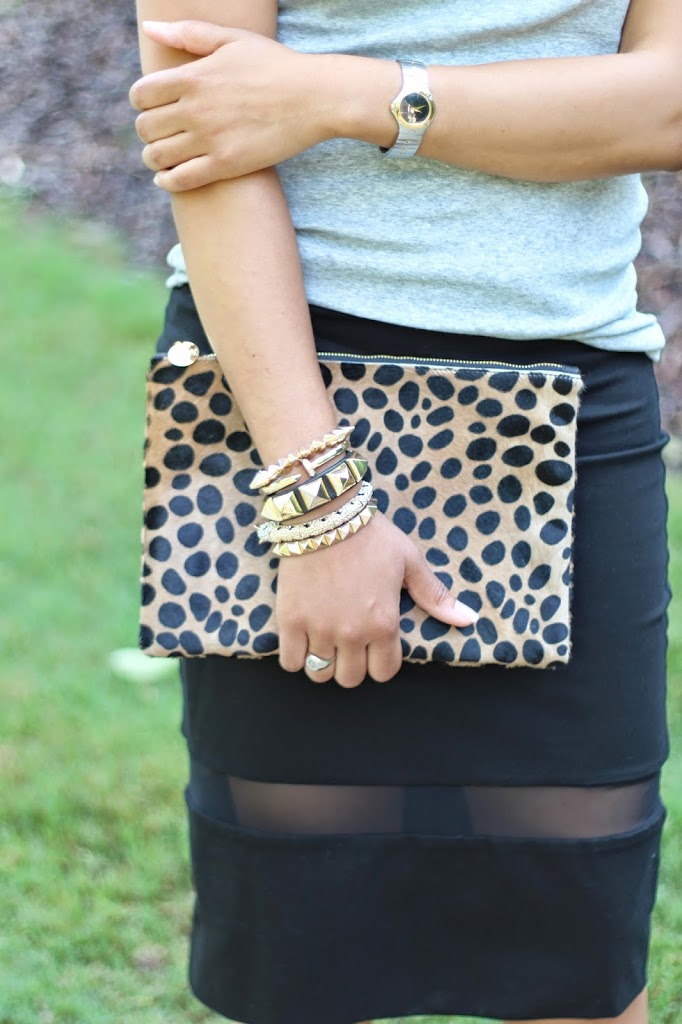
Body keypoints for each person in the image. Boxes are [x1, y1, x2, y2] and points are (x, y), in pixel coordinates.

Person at [130, 2, 679, 1022]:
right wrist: (320, 498)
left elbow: (669, 103)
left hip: (567, 396)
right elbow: (196, 117)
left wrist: (349, 95)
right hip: (284, 381)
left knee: (577, 962)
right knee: (300, 961)